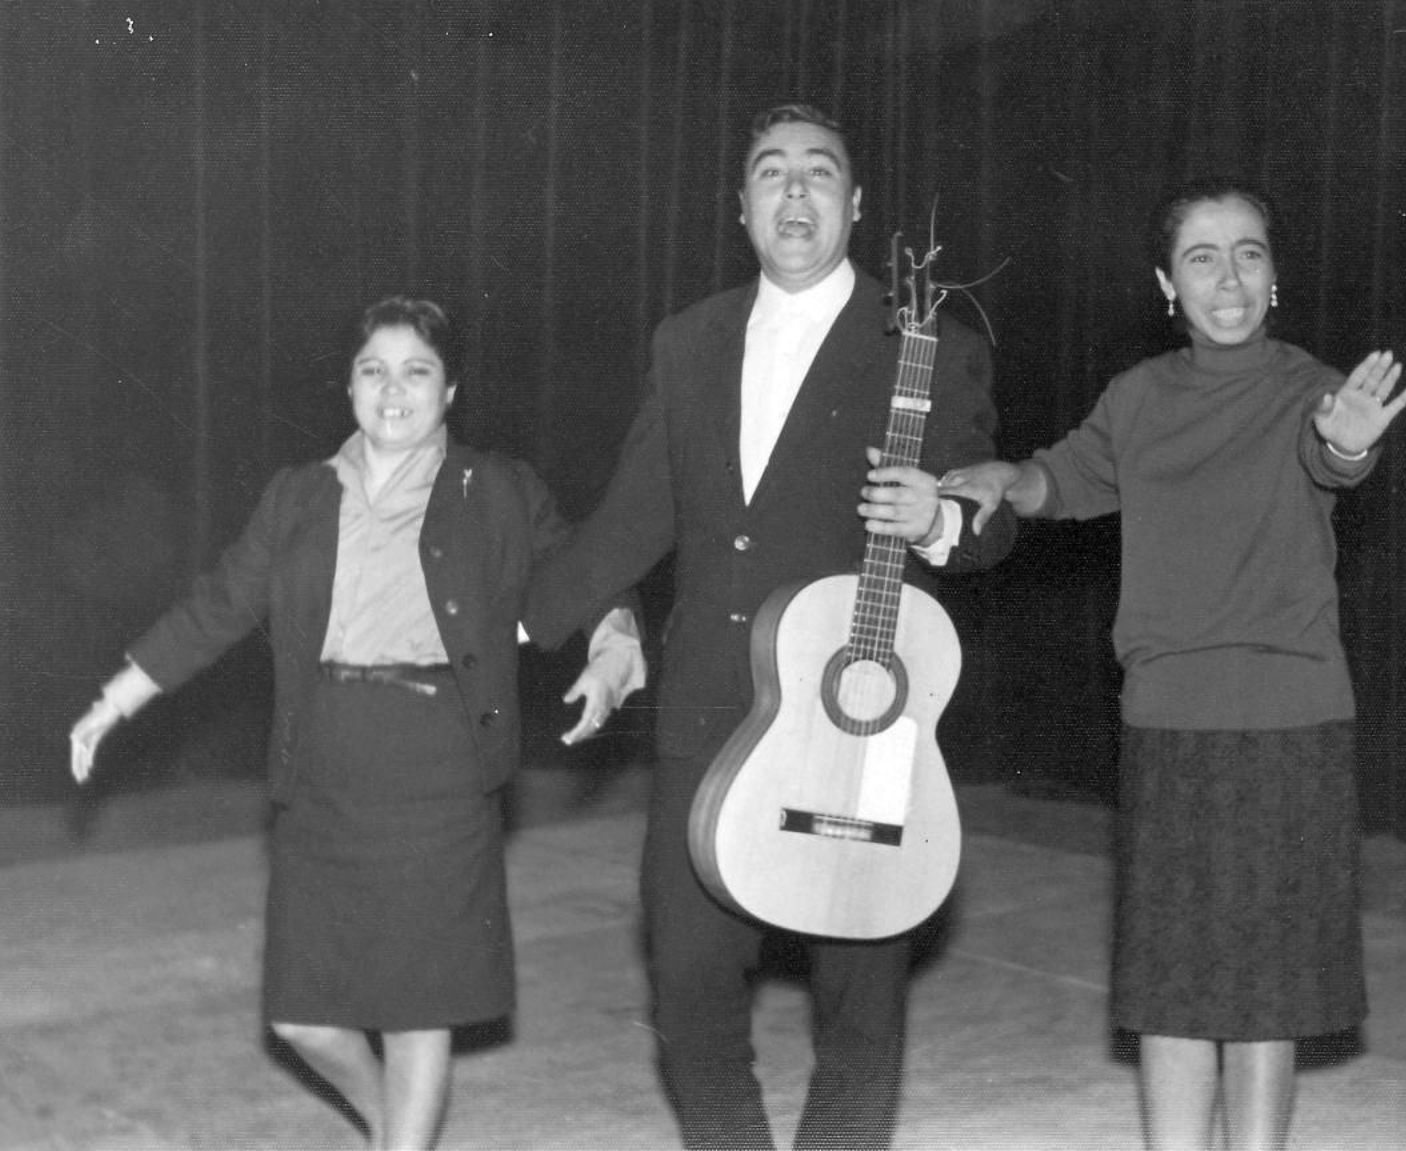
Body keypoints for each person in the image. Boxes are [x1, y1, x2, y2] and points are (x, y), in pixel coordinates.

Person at [521, 104, 1016, 1149]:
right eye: (772, 175)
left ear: (856, 204)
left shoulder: (924, 342)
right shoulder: (687, 340)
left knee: (859, 1002)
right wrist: (520, 623)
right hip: (709, 702)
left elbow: (991, 516)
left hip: (858, 719)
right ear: (741, 206)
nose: (795, 195)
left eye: (819, 174)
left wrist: (941, 516)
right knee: (688, 984)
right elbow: (632, 517)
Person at [68, 296, 645, 1150]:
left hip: (439, 763)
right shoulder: (300, 495)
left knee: (420, 1007)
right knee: (301, 1015)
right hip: (324, 762)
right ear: (349, 386)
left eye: (417, 371)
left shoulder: (495, 488)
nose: (394, 389)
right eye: (374, 370)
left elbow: (584, 569)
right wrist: (116, 698)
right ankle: (391, 1130)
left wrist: (613, 644)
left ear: (450, 392)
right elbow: (221, 604)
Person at [940, 177, 1406, 1151]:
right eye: (1202, 255)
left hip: (1290, 723)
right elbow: (1065, 477)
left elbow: (1332, 452)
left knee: (1264, 989)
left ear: (1275, 277)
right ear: (1167, 283)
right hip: (1168, 724)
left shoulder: (1309, 389)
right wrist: (1007, 477)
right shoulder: (1138, 397)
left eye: (1248, 252)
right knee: (1172, 982)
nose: (1228, 275)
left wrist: (1348, 443)